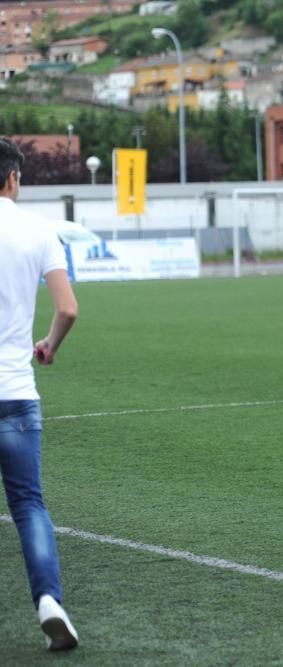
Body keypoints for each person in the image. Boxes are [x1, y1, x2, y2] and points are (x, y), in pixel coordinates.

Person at [0, 137, 79, 651]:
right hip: (15, 390)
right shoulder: (38, 230)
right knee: (29, 504)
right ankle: (49, 601)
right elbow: (68, 308)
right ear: (12, 178)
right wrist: (47, 345)